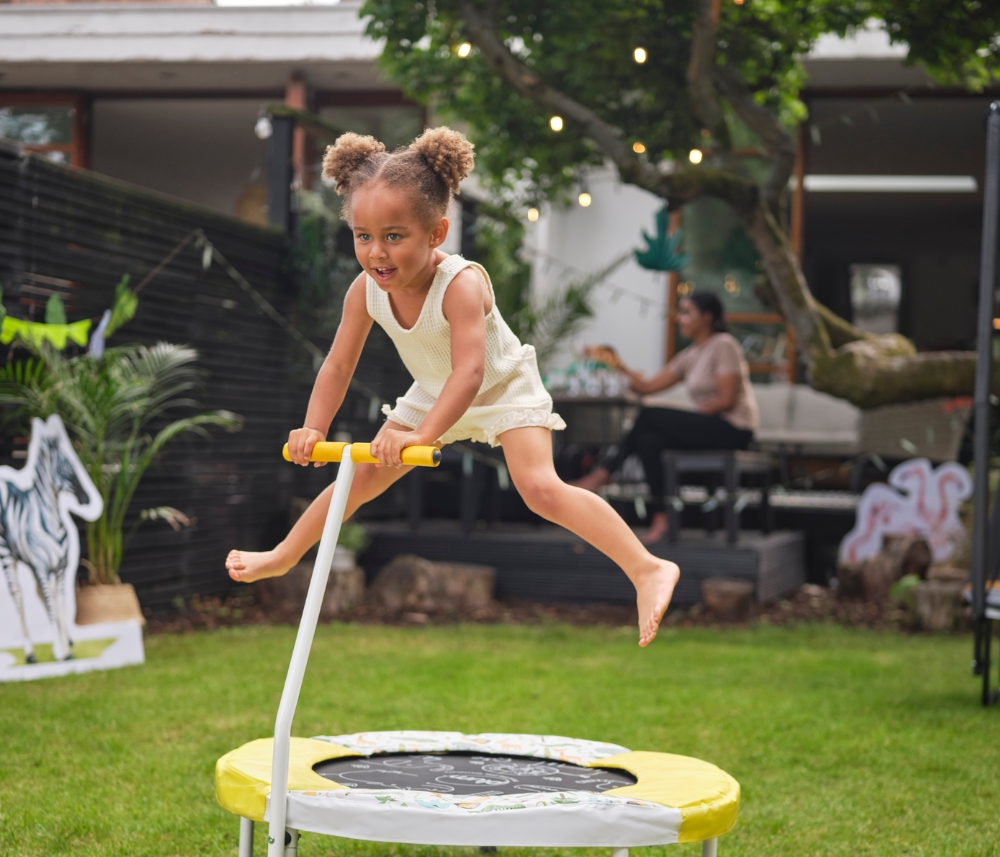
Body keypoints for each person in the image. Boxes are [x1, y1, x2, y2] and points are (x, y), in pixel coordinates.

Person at [225, 128, 680, 646]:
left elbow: (471, 373)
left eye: (394, 236)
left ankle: (647, 568)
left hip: (501, 383)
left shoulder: (461, 284)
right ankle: (284, 556)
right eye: (362, 236)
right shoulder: (365, 292)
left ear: (437, 233)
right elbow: (336, 366)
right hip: (433, 389)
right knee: (360, 478)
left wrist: (419, 439)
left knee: (539, 489)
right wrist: (313, 427)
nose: (377, 253)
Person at [572, 291, 759, 544]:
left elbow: (726, 400)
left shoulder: (724, 345)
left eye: (686, 313)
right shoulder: (689, 356)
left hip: (734, 429)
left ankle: (604, 473)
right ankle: (662, 517)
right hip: (708, 427)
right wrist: (615, 362)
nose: (679, 319)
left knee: (650, 415)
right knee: (648, 441)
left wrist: (682, 422)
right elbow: (646, 387)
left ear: (707, 317)